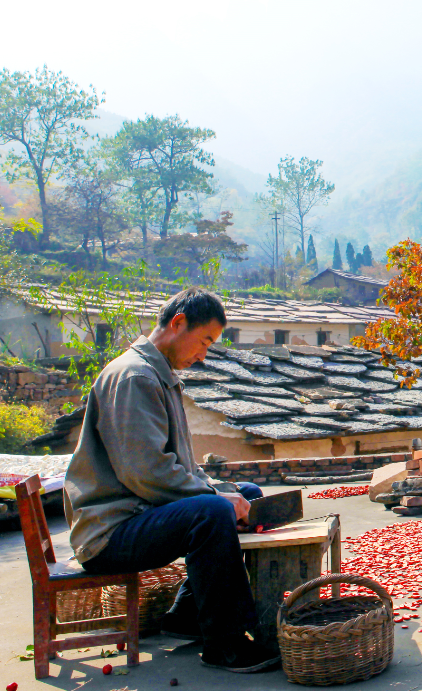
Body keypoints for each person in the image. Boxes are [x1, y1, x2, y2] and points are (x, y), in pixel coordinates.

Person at [63, 287, 280, 673]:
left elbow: (178, 465)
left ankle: (186, 615)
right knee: (211, 513)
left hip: (138, 512)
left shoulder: (159, 376)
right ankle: (225, 643)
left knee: (245, 493)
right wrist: (215, 498)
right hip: (111, 531)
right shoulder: (133, 377)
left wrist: (223, 491)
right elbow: (145, 472)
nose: (204, 354)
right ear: (178, 324)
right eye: (204, 341)